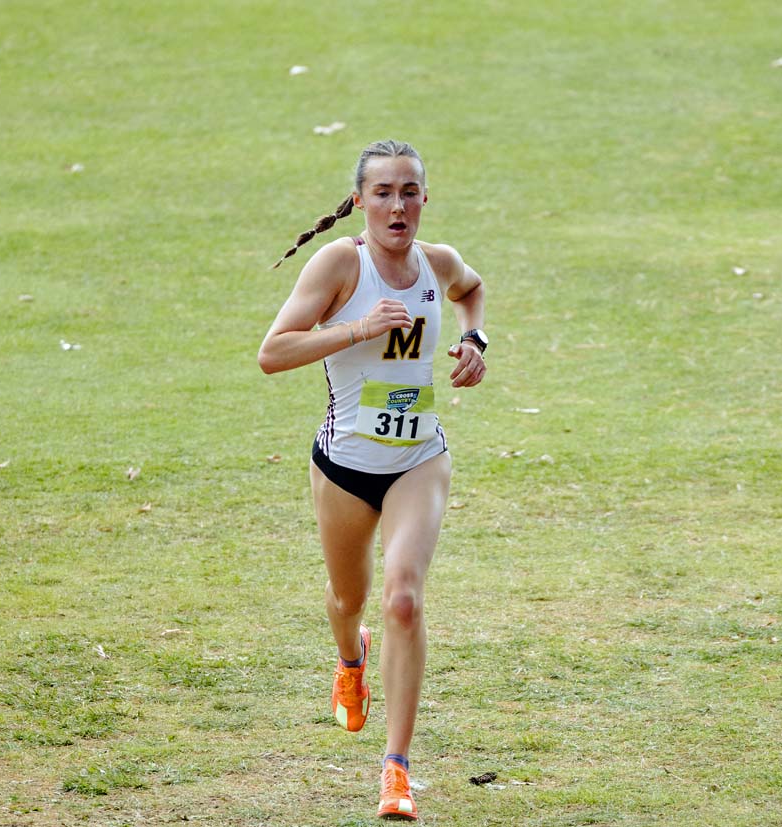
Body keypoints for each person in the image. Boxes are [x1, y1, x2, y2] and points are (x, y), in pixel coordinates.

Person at [258, 139, 488, 820]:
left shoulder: (436, 262)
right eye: (383, 191)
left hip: (419, 459)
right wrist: (357, 326)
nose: (398, 204)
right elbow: (272, 352)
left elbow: (471, 290)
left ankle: (397, 770)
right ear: (360, 201)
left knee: (405, 600)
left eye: (409, 191)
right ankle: (349, 658)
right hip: (344, 467)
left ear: (424, 199)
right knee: (347, 597)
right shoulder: (340, 263)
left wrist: (477, 342)